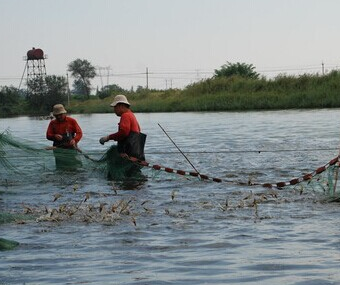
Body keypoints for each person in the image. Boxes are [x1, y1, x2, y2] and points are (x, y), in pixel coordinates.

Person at [99, 95, 146, 180]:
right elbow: (137, 131)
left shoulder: (125, 116)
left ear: (121, 106)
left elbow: (124, 132)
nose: (114, 110)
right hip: (136, 154)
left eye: (115, 107)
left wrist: (108, 137)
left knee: (121, 177)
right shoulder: (131, 115)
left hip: (128, 154)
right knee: (132, 177)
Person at [46, 104, 83, 170]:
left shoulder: (72, 121)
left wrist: (75, 140)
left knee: (73, 167)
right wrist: (54, 136)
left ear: (64, 113)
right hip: (58, 149)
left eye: (60, 115)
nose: (59, 117)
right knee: (60, 168)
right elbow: (48, 135)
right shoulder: (52, 123)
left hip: (71, 148)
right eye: (57, 115)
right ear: (54, 115)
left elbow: (79, 133)